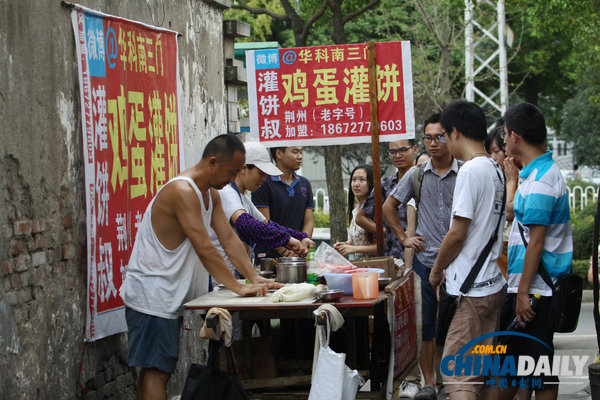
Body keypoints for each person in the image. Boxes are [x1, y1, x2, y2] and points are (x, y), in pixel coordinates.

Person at [120, 134, 279, 399]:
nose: (232, 179)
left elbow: (228, 238)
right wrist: (238, 287)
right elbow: (205, 247)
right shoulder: (182, 191)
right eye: (231, 172)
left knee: (156, 371)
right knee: (156, 372)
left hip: (167, 295)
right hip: (152, 295)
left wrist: (253, 278)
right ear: (213, 162)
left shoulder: (212, 195)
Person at [428, 100, 507, 400]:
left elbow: (457, 233)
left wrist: (437, 270)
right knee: (483, 373)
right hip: (492, 285)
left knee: (458, 376)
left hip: (472, 294)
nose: (443, 142)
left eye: (444, 135)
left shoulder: (471, 171)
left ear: (455, 132)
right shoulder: (495, 169)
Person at [498, 102, 573, 400]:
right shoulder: (535, 174)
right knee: (522, 371)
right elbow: (515, 217)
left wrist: (522, 292)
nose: (503, 141)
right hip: (530, 289)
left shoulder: (542, 180)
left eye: (504, 135)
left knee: (536, 372)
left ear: (515, 135)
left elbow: (537, 241)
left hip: (537, 293)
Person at [382, 113, 461, 400]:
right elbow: (388, 206)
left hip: (461, 264)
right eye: (428, 137)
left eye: (439, 136)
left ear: (451, 137)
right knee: (426, 325)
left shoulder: (465, 171)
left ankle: (455, 380)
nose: (433, 143)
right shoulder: (418, 174)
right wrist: (404, 237)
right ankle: (429, 382)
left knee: (456, 325)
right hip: (426, 263)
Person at [211, 141, 314, 285]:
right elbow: (245, 224)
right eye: (260, 173)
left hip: (233, 274)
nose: (264, 180)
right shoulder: (227, 192)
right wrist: (288, 240)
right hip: (219, 275)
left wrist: (299, 236)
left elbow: (267, 224)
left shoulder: (244, 198)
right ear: (243, 168)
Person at [354, 139, 418, 265]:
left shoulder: (424, 180)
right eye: (393, 152)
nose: (398, 155)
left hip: (420, 254)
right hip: (392, 257)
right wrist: (388, 231)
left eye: (403, 150)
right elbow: (360, 218)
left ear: (415, 149)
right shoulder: (385, 185)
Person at [251, 146, 314, 260]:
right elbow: (264, 224)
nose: (300, 156)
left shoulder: (305, 184)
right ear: (279, 154)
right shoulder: (263, 182)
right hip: (269, 257)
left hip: (297, 256)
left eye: (301, 152)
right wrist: (285, 251)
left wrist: (303, 245)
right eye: (295, 152)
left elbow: (309, 221)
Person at [334, 164, 377, 259]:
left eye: (362, 180)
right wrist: (344, 245)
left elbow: (383, 246)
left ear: (371, 182)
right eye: (354, 180)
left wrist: (354, 249)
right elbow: (357, 239)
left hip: (377, 268)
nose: (356, 184)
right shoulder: (355, 211)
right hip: (361, 268)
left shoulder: (376, 210)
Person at [486, 119, 511, 278]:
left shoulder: (517, 178)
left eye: (496, 151)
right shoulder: (492, 178)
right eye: (490, 152)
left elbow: (509, 212)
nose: (493, 157)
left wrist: (512, 180)